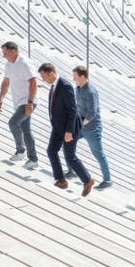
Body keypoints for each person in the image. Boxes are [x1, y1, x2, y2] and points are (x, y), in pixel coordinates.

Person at [39, 63, 94, 195]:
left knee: (70, 156)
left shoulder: (65, 85)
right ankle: (61, 180)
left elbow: (72, 110)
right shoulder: (54, 86)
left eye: (44, 76)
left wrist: (69, 131)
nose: (43, 80)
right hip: (58, 126)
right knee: (51, 151)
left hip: (69, 128)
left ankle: (87, 180)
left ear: (51, 73)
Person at [0, 41, 38, 166]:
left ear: (13, 51)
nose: (4, 56)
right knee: (26, 130)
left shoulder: (25, 63)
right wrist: (0, 99)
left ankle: (21, 150)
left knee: (13, 123)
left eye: (5, 53)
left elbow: (33, 83)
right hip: (19, 102)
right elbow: (5, 83)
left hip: (28, 101)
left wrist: (30, 103)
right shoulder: (9, 65)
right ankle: (33, 160)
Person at [72, 66, 111, 188]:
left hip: (92, 129)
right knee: (66, 143)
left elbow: (92, 112)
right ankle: (71, 171)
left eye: (75, 77)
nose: (74, 80)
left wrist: (80, 123)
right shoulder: (78, 88)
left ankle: (107, 180)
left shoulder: (90, 91)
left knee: (98, 154)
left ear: (83, 77)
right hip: (80, 126)